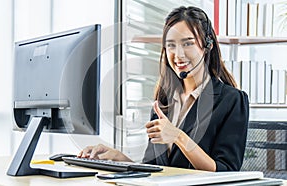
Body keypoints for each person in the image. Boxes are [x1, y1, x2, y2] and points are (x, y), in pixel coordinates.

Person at [78, 6, 249, 172]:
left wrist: (178, 136)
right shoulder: (164, 102)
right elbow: (154, 169)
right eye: (171, 45)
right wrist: (117, 158)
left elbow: (227, 171)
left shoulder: (232, 100)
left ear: (208, 45)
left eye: (187, 43)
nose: (178, 54)